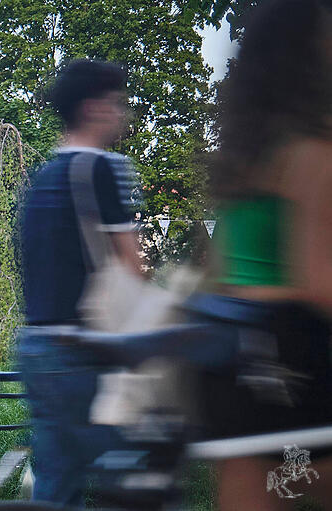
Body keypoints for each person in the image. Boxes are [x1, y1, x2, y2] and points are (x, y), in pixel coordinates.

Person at [182, 0, 332, 507]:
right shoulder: (314, 152)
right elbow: (318, 278)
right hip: (296, 355)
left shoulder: (244, 158)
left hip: (230, 361)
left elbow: (218, 271)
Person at [17, 59, 139, 506]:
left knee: (57, 486)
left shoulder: (43, 176)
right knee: (132, 474)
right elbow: (131, 267)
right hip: (81, 353)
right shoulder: (103, 169)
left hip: (36, 347)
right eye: (117, 104)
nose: (123, 113)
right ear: (92, 109)